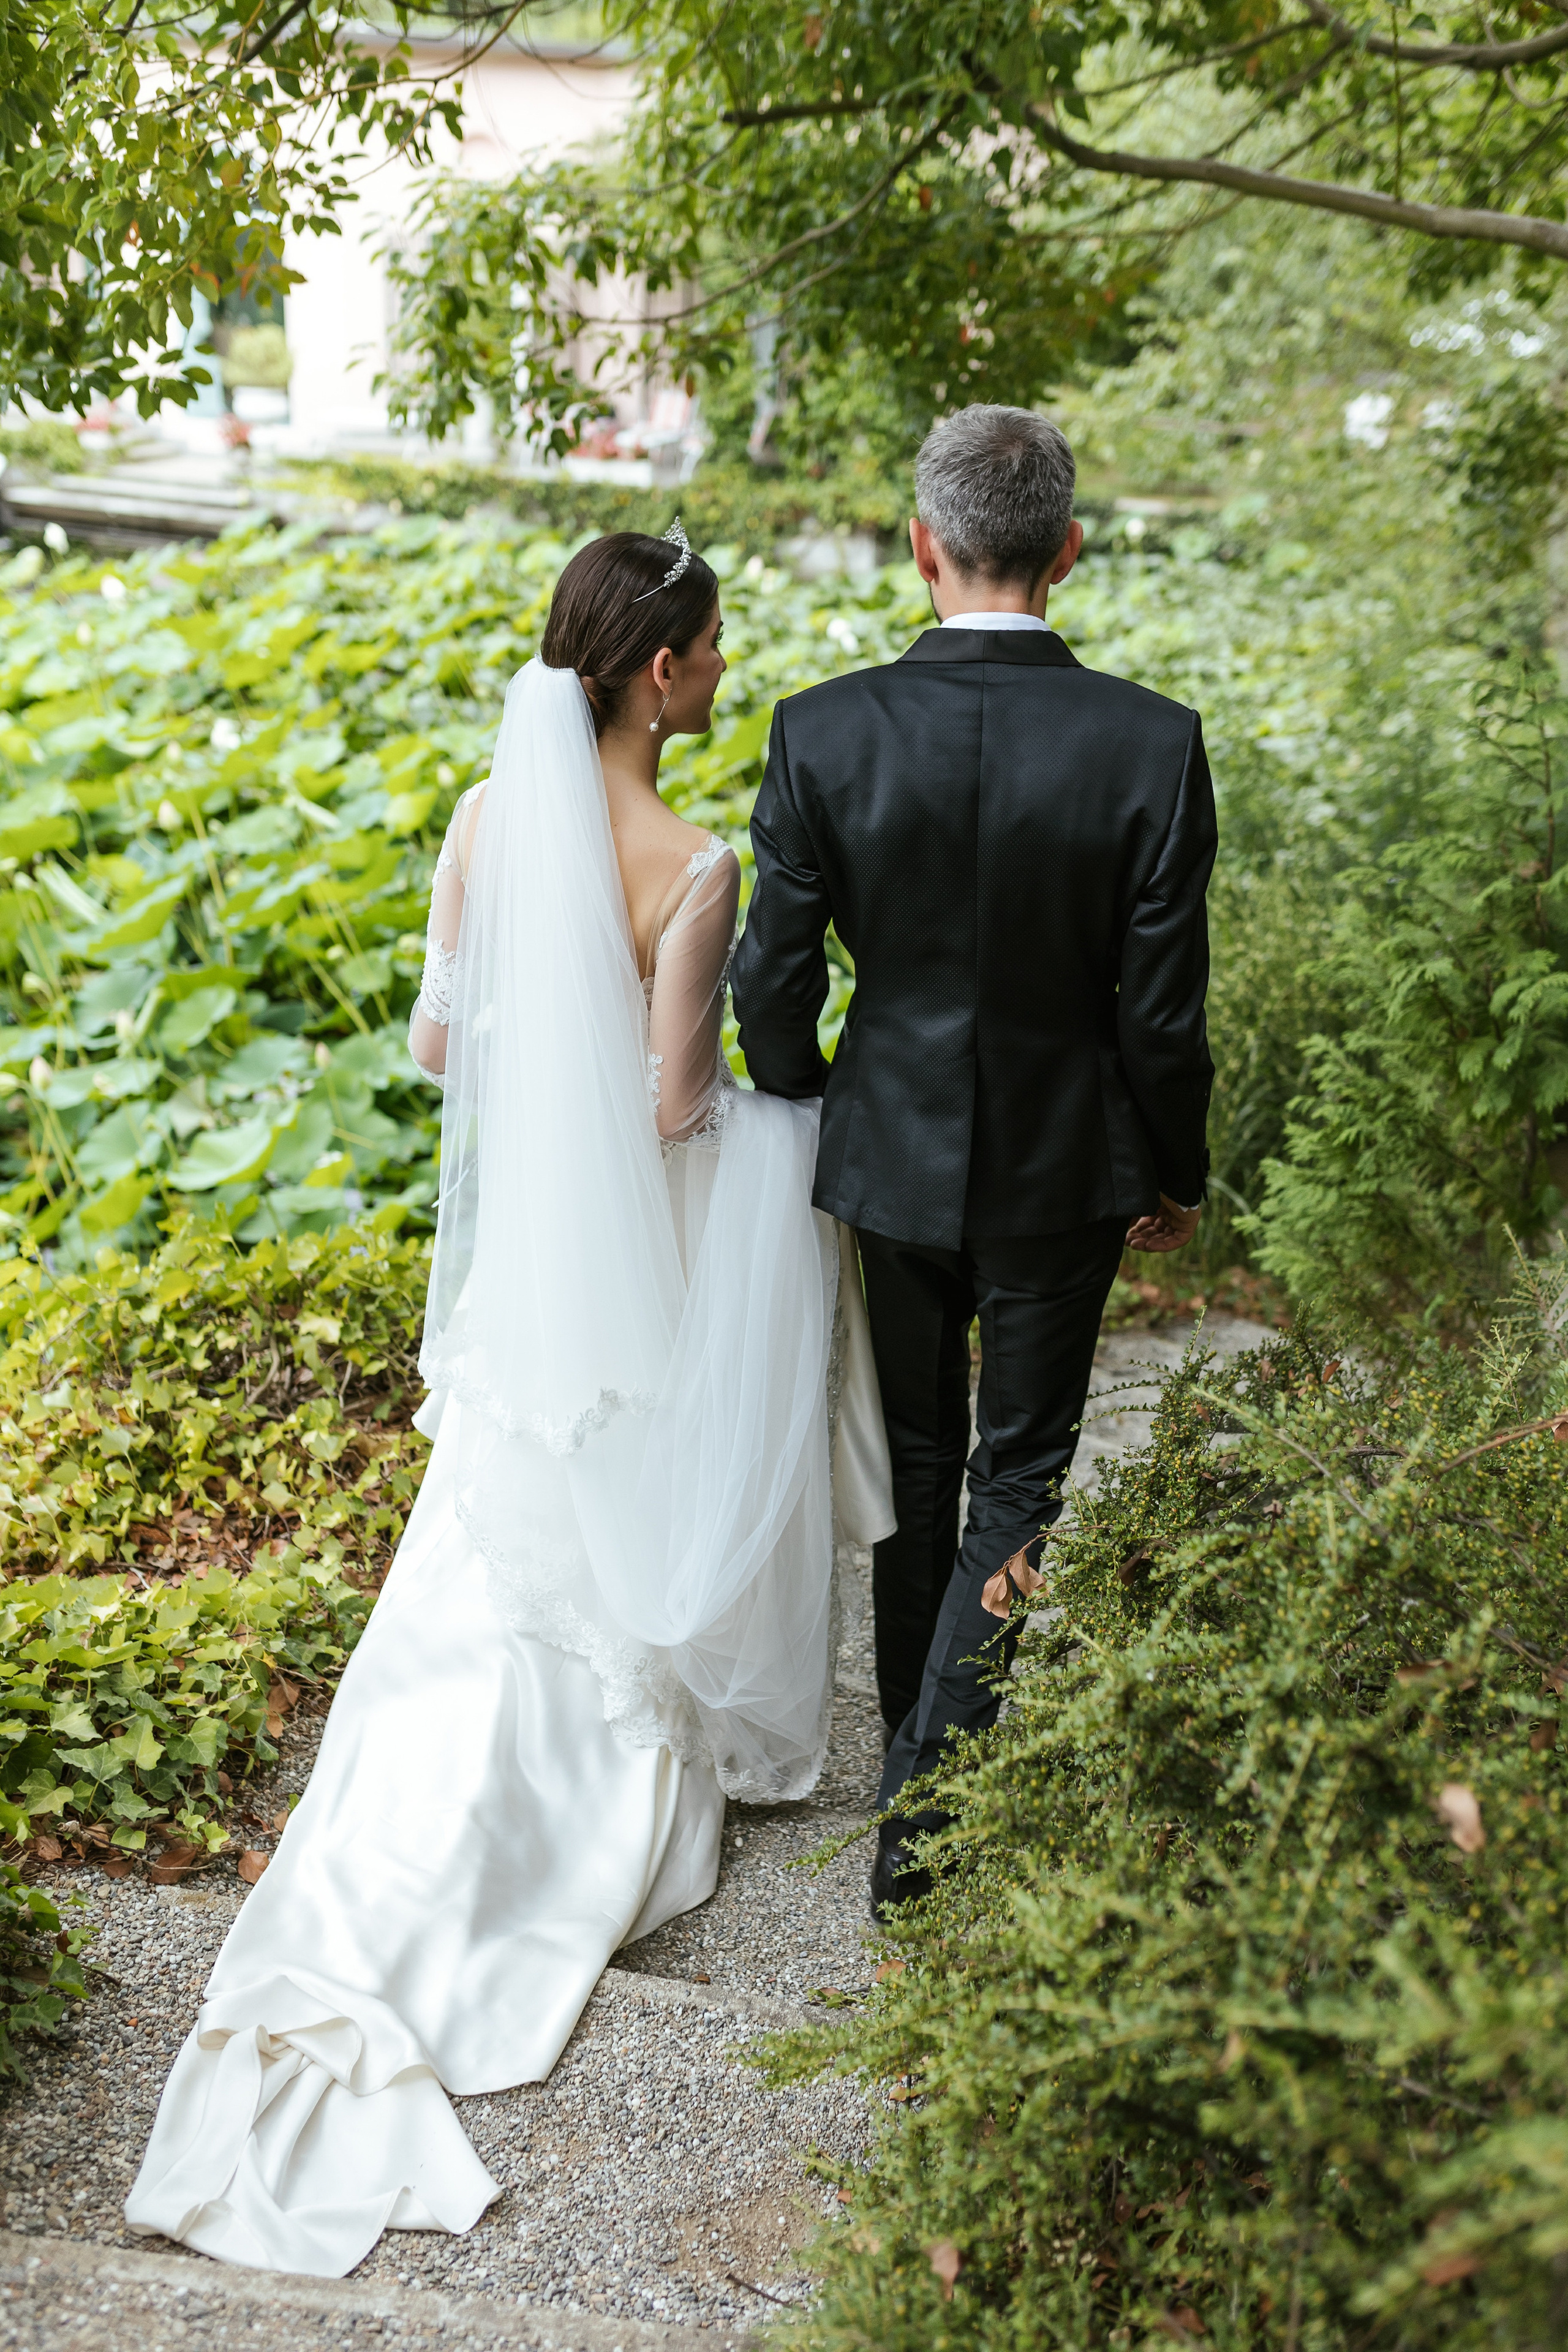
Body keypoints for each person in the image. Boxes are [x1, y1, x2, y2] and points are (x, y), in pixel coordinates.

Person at [125, 524, 893, 2277]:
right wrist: (801, 1137)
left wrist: (544, 1078)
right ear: (659, 672)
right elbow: (678, 1110)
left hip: (535, 1252)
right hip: (641, 1245)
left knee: (491, 1527)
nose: (723, 666)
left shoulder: (488, 817)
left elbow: (436, 1044)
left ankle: (411, 1824)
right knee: (620, 1486)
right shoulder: (695, 867)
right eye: (711, 645)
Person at [730, 406, 1216, 1917]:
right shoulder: (1151, 742)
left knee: (918, 1463)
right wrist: (1174, 1169)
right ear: (1066, 551)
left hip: (887, 1151)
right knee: (1019, 1475)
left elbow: (769, 981)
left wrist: (816, 1104)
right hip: (1065, 1164)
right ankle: (929, 1810)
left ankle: (913, 1767)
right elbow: (1161, 1011)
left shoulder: (820, 729)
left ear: (921, 547)